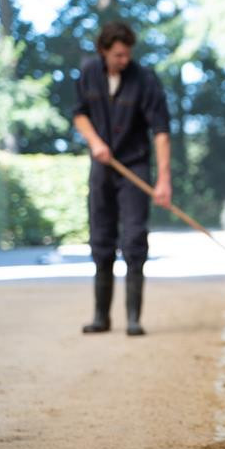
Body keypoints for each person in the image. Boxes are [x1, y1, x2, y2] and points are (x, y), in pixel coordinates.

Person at [74, 21, 172, 336]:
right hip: (102, 166)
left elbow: (160, 132)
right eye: (118, 54)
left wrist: (163, 180)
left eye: (127, 54)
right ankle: (101, 317)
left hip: (134, 166)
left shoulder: (144, 79)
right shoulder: (89, 72)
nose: (124, 60)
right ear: (103, 51)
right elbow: (79, 114)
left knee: (133, 239)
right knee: (101, 239)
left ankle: (133, 318)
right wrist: (95, 142)